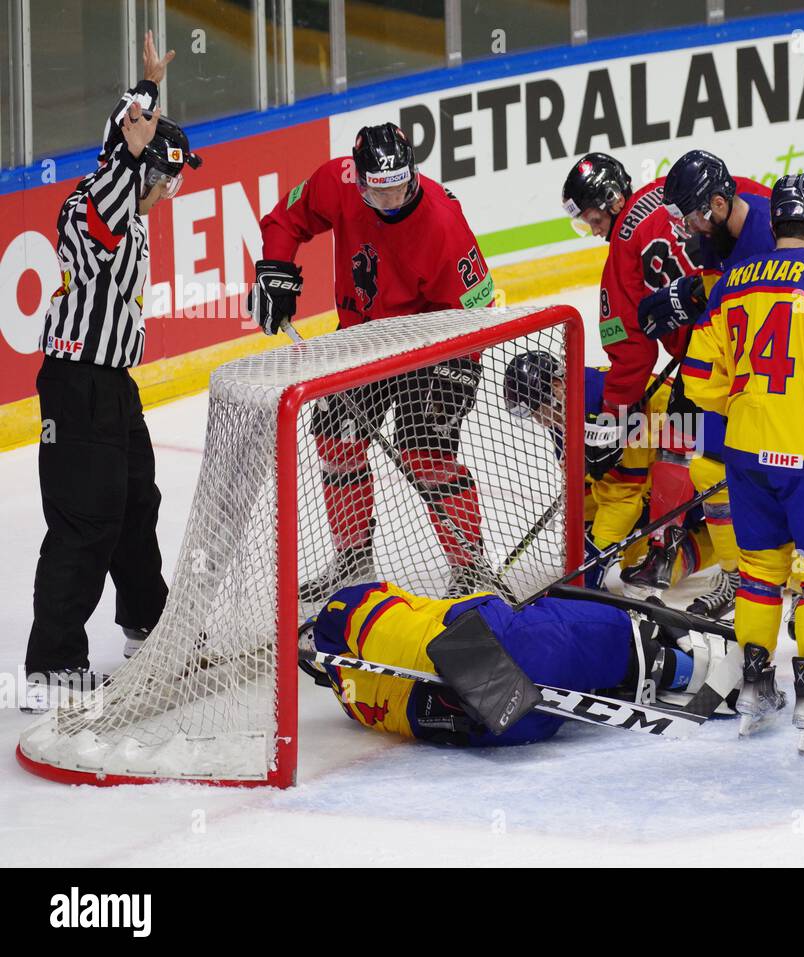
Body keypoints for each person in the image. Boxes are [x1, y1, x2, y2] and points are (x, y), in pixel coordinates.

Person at [251, 122, 495, 600]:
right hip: (362, 337)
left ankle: (470, 564)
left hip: (437, 341)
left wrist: (453, 372)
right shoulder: (336, 181)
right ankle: (354, 560)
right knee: (335, 438)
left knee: (426, 452)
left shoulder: (443, 222)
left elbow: (476, 312)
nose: (391, 203)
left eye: (400, 188)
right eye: (378, 193)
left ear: (414, 172)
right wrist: (276, 271)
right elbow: (284, 220)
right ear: (359, 181)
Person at [24, 32, 194, 713]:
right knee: (84, 521)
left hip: (112, 384)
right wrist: (142, 109)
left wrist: (150, 104)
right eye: (166, 176)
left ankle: (146, 623)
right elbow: (121, 171)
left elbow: (133, 166)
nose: (171, 189)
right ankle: (51, 665)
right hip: (78, 382)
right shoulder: (96, 199)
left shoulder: (127, 203)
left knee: (135, 505)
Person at [684, 173, 804, 747]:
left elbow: (698, 380)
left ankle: (755, 684)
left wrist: (746, 403)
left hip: (745, 453)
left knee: (761, 570)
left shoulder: (732, 281)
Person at [298, 580, 734, 747]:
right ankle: (697, 666)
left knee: (557, 656)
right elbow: (402, 634)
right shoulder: (340, 610)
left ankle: (635, 672)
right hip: (490, 654)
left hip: (506, 726)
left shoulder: (353, 705)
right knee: (594, 633)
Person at [632, 151, 777, 616]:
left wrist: (699, 295)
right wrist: (692, 295)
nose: (687, 228)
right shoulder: (712, 232)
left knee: (779, 474)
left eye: (691, 216)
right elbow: (723, 300)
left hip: (777, 375)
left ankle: (791, 574)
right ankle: (735, 577)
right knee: (709, 469)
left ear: (717, 203)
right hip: (732, 366)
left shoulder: (772, 229)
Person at [501, 351, 716, 592]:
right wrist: (583, 533)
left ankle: (735, 551)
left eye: (536, 409)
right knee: (628, 549)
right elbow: (588, 479)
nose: (540, 421)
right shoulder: (561, 407)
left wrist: (595, 550)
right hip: (649, 463)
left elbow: (623, 494)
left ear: (556, 385)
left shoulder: (600, 411)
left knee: (650, 563)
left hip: (696, 459)